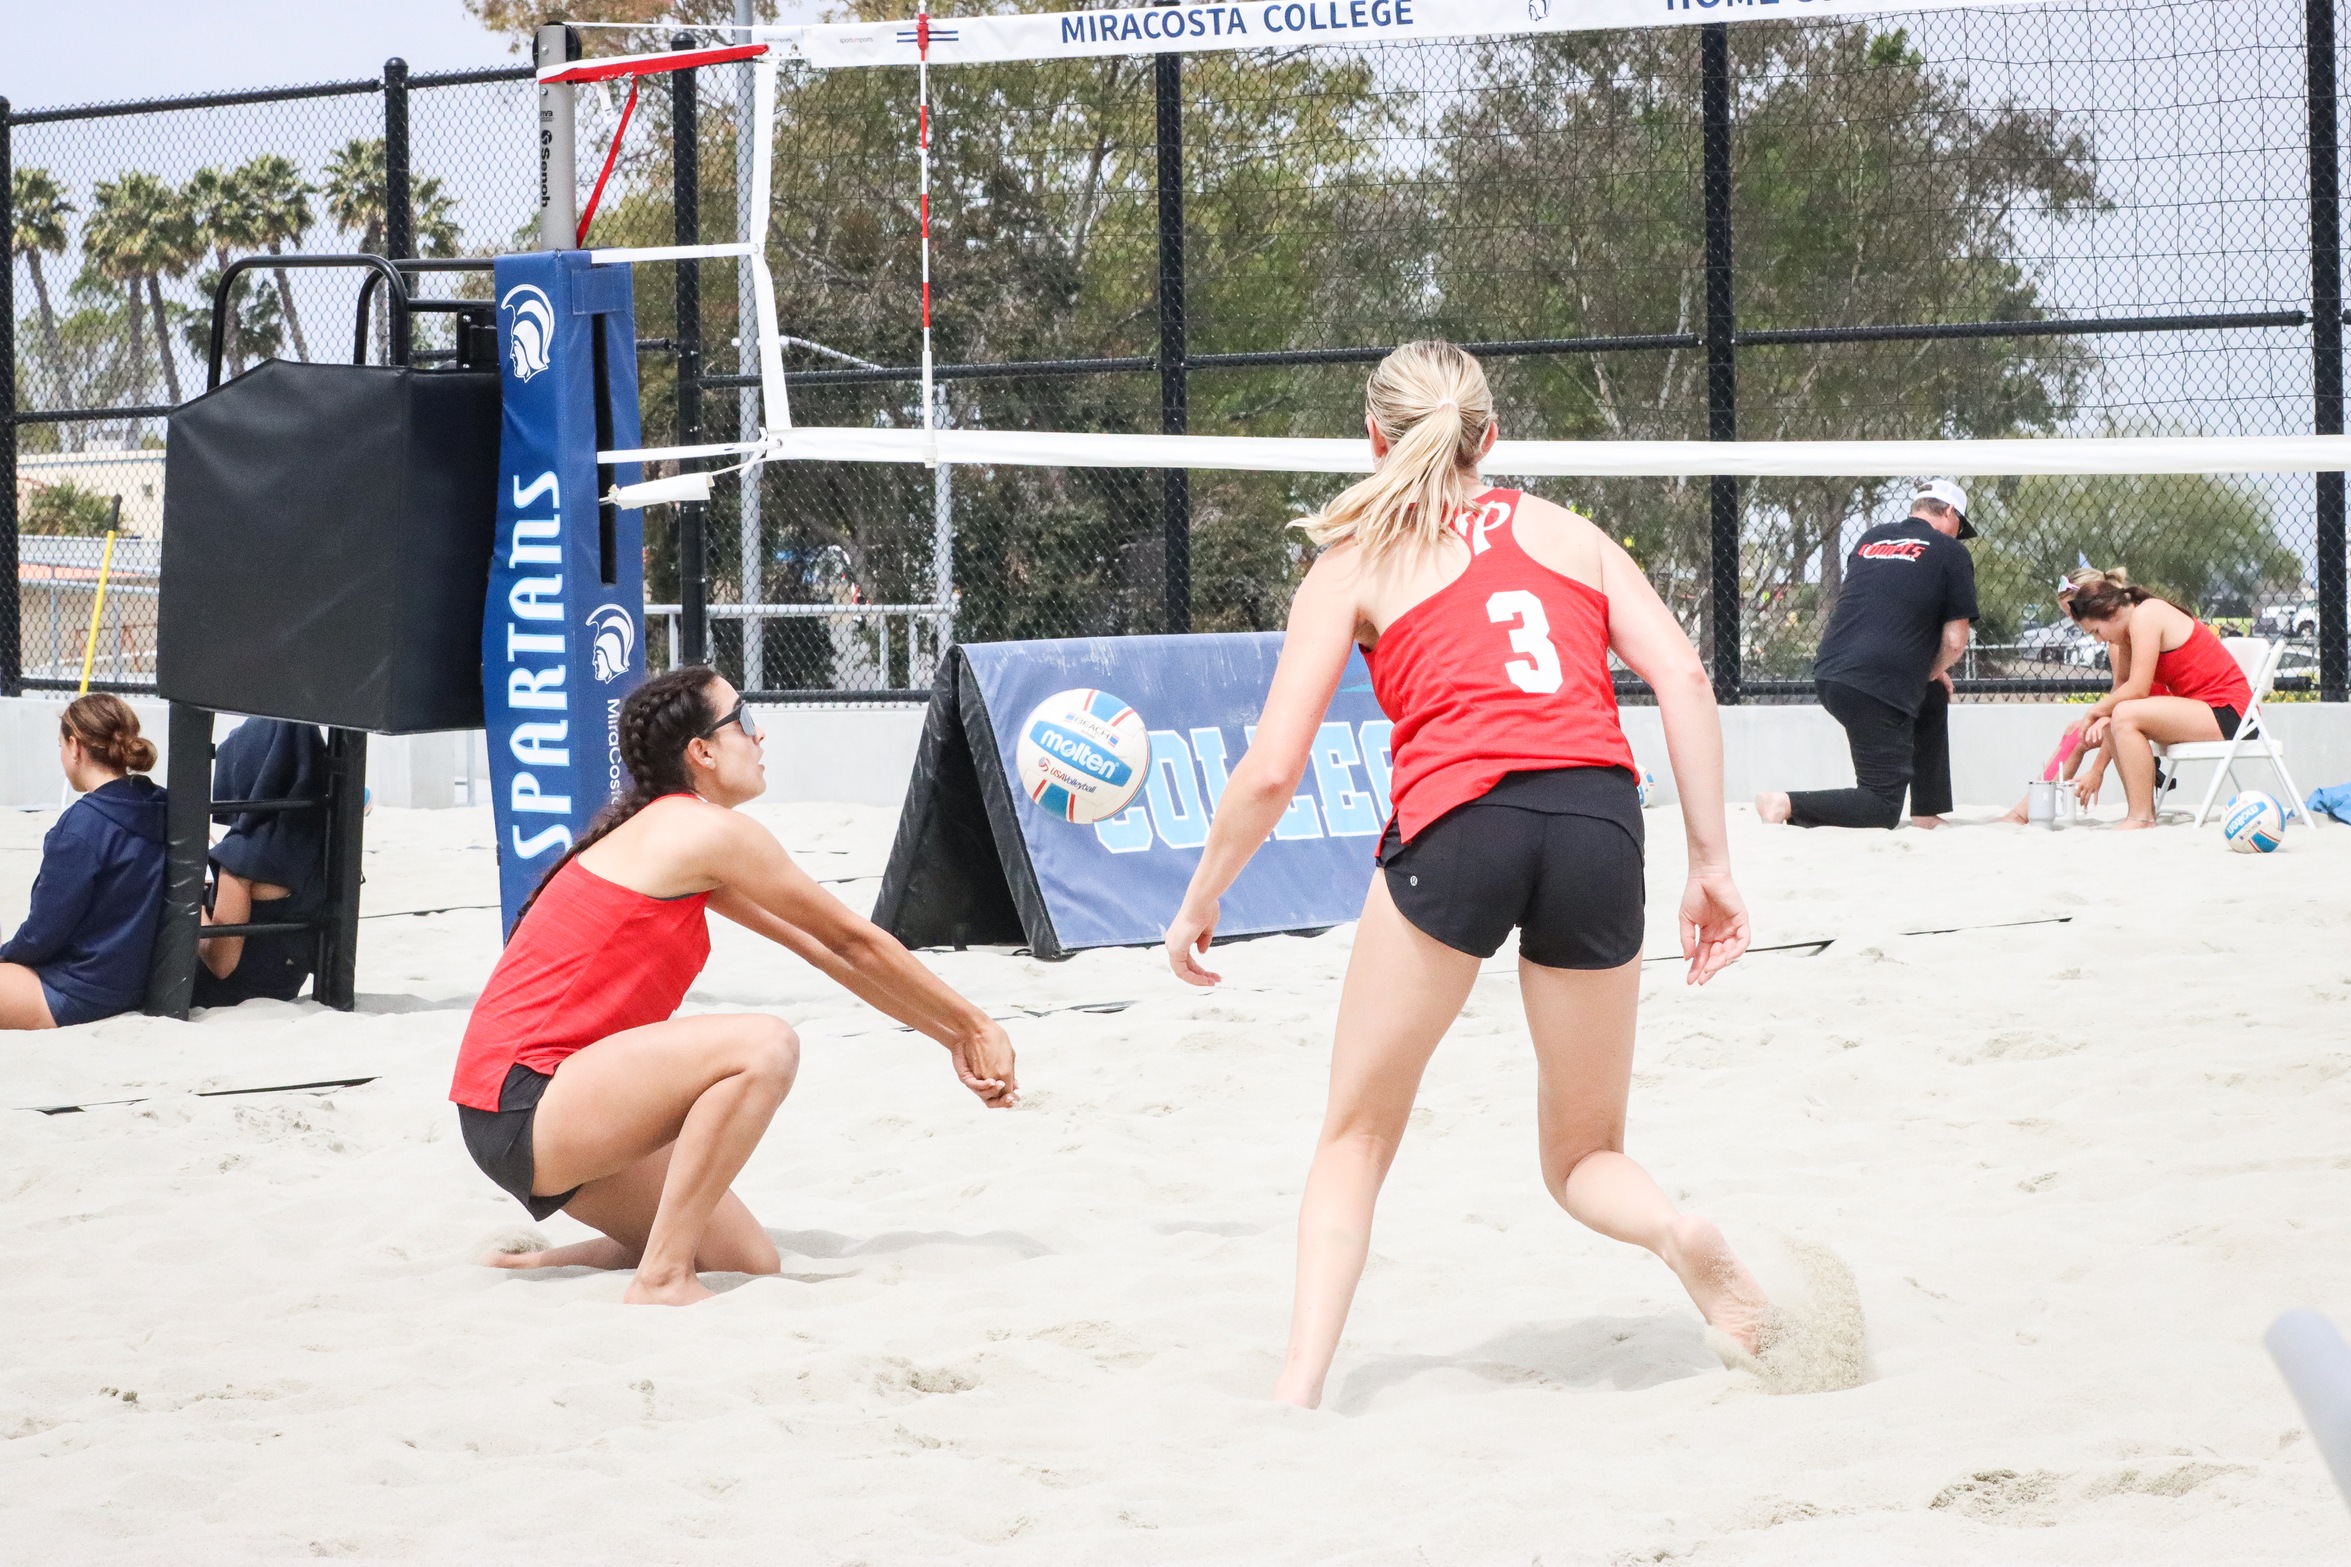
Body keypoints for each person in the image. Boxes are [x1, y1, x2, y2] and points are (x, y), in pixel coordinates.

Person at [1162, 340, 1765, 1409]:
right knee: (1583, 1156)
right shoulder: (1568, 534)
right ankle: (1675, 1230)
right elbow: (1677, 672)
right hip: (1597, 819)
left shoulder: (1350, 561)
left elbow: (1268, 770)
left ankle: (1298, 1387)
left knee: (1353, 1132)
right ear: (1491, 438)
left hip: (1460, 816)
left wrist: (1202, 894)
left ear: (1372, 438)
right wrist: (1708, 863)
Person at [451, 665, 1019, 1306]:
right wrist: (977, 1024)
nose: (761, 735)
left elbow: (826, 954)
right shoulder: (703, 831)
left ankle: (535, 1268)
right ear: (703, 751)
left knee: (748, 1263)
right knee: (763, 1045)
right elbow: (853, 941)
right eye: (744, 720)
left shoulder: (680, 835)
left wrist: (948, 1036)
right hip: (526, 1099)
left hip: (527, 1109)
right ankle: (662, 1278)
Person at [1756, 479, 1979, 831]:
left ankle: (1926, 811)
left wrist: (1929, 676)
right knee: (1880, 805)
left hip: (1831, 672)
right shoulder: (1951, 552)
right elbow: (1954, 643)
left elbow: (1880, 606)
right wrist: (1928, 669)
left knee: (1932, 695)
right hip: (1875, 684)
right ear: (1950, 512)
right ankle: (1786, 803)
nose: (1957, 535)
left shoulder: (1871, 538)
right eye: (1959, 527)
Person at [2000, 566, 2251, 831]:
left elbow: (2138, 689)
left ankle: (2140, 817)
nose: (2097, 640)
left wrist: (2094, 715)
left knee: (2119, 715)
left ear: (2109, 611)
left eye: (2095, 631)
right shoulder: (2129, 630)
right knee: (2112, 718)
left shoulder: (2146, 616)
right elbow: (2125, 693)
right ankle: (2139, 814)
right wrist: (2099, 721)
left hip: (2230, 713)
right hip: (2197, 709)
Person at [0, 694, 167, 1029]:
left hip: (80, 989)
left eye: (60, 744)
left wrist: (7, 955)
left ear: (75, 747)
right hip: (139, 981)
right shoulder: (161, 805)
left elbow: (42, 935)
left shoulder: (80, 826)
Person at [196, 719, 329, 1006]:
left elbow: (221, 963)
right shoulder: (324, 837)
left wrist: (188, 895)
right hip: (285, 985)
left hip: (232, 996)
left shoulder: (243, 858)